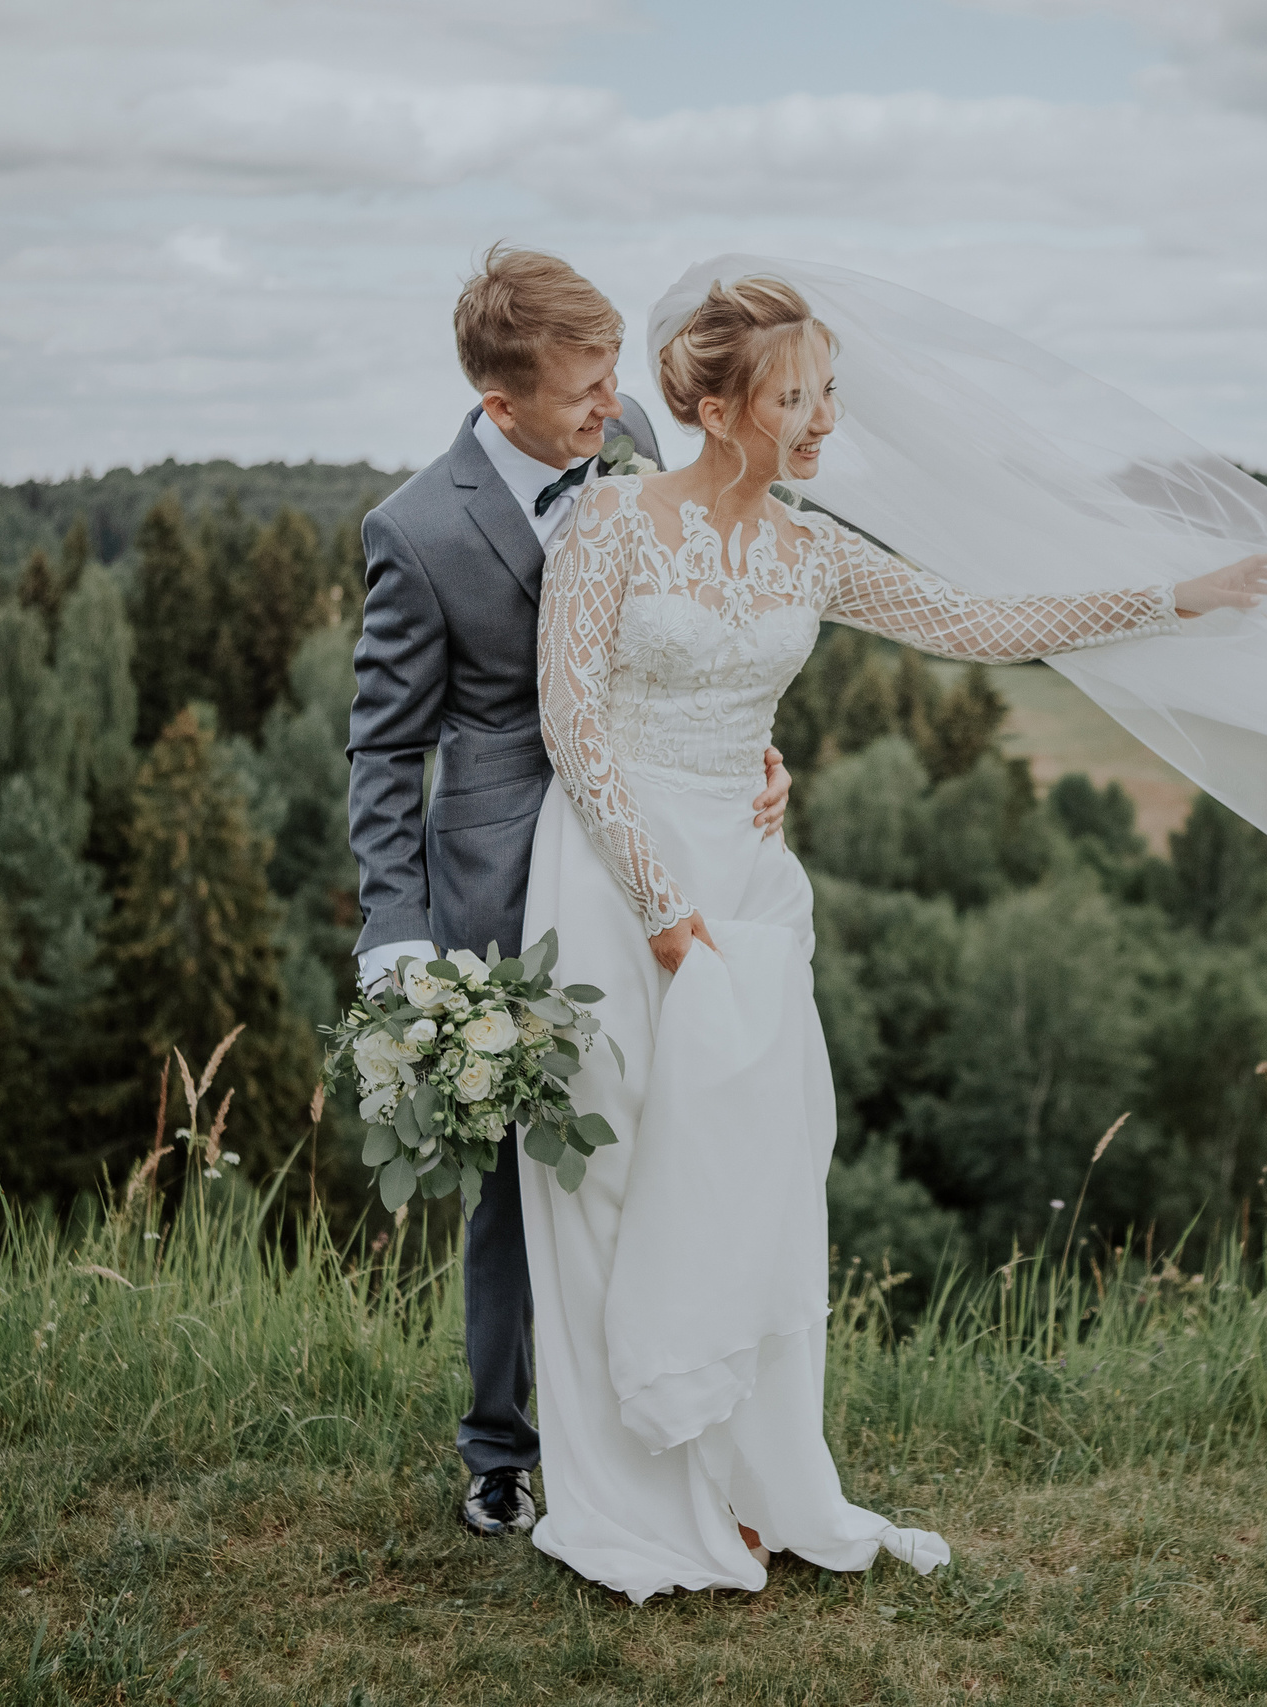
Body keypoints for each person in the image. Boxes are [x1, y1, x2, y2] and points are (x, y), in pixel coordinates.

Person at [519, 275, 1267, 1602]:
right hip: (609, 880)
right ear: (711, 406)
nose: (820, 420)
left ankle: (746, 1482)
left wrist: (1174, 597)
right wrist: (658, 906)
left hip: (748, 891)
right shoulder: (609, 525)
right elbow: (573, 725)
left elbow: (975, 624)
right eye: (793, 396)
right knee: (605, 1184)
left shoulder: (810, 548)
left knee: (747, 1185)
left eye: (827, 392)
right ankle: (634, 1496)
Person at [344, 246, 794, 1540]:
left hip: (650, 848)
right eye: (582, 391)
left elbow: (696, 623)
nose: (611, 406)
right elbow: (383, 750)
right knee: (512, 1189)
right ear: (502, 402)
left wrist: (751, 748)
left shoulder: (639, 439)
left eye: (611, 379)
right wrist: (396, 938)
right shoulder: (417, 532)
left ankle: (674, 1427)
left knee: (675, 1142)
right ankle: (502, 1448)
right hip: (504, 884)